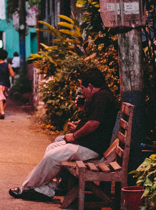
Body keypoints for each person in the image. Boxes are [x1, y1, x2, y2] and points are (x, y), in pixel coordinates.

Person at [9, 67, 117, 202]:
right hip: (88, 143)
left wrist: (74, 136)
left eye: (82, 88)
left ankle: (28, 188)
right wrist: (82, 111)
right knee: (53, 146)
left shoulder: (102, 97)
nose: (82, 91)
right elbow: (94, 120)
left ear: (90, 86)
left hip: (91, 147)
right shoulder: (101, 96)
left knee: (53, 156)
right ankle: (47, 189)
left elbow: (93, 123)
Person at [0, 48, 15, 119]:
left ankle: (2, 112)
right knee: (4, 98)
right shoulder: (8, 65)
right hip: (6, 84)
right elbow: (12, 74)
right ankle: (2, 111)